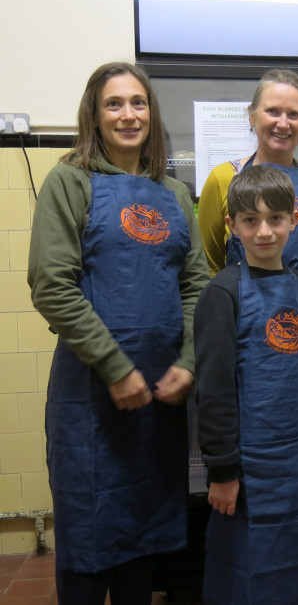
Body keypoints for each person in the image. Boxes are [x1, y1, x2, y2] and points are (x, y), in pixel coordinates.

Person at [27, 62, 210, 604]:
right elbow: (51, 286)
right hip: (91, 402)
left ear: (151, 114)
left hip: (160, 402)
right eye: (114, 104)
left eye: (138, 103)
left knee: (143, 546)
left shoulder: (176, 194)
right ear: (95, 114)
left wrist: (190, 361)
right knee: (87, 546)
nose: (128, 114)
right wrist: (115, 367)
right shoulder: (69, 182)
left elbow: (197, 285)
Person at [198, 69, 298, 509]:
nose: (282, 122)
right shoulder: (221, 180)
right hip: (249, 334)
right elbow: (213, 260)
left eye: (294, 113)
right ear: (252, 116)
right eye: (272, 111)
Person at [194, 164, 298, 604]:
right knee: (248, 577)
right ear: (231, 225)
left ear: (294, 220)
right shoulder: (221, 295)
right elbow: (215, 392)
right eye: (250, 220)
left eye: (275, 219)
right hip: (248, 475)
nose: (264, 231)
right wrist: (221, 471)